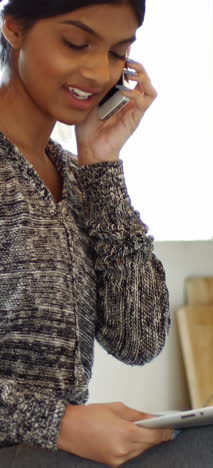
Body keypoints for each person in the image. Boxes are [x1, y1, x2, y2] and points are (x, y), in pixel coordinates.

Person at [0, 0, 175, 466]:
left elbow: (138, 338)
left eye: (118, 54)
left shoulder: (79, 178)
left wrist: (101, 168)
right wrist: (56, 421)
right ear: (14, 29)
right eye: (76, 43)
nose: (99, 72)